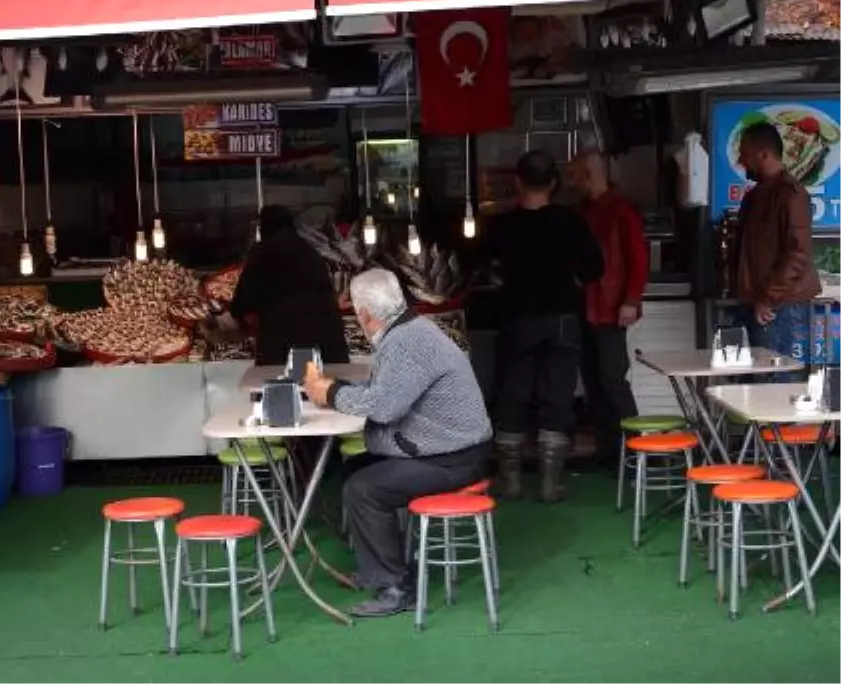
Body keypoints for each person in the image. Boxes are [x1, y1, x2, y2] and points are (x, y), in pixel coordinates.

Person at [303, 269, 492, 618]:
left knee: (364, 487)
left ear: (364, 315)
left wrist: (329, 392)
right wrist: (336, 392)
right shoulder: (411, 330)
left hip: (451, 459)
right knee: (355, 470)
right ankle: (376, 567)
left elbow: (385, 407)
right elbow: (385, 394)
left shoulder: (406, 341)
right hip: (450, 450)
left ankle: (394, 586)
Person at [483, 151, 604, 502]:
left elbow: (487, 270)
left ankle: (512, 480)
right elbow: (595, 268)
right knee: (558, 397)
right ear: (554, 184)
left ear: (518, 183)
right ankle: (551, 484)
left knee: (513, 395)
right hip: (563, 320)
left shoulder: (502, 226)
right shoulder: (571, 222)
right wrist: (572, 279)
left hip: (518, 320)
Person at [567, 150, 648, 471]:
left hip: (611, 306)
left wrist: (630, 299)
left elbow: (637, 260)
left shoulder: (621, 211)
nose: (571, 181)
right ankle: (608, 450)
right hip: (587, 306)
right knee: (594, 380)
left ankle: (633, 451)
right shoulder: (584, 210)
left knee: (612, 380)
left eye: (574, 175)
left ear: (589, 175)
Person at [215, 205, 349, 366]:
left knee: (281, 384)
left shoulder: (262, 251)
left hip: (283, 335)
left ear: (264, 226)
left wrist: (232, 315)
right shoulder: (309, 251)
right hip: (326, 334)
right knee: (321, 383)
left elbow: (244, 297)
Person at [735, 122, 821, 361]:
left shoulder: (791, 195)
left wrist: (767, 299)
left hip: (779, 306)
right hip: (757, 300)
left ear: (764, 154)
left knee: (772, 379)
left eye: (745, 154)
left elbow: (798, 254)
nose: (741, 161)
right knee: (754, 381)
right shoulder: (755, 196)